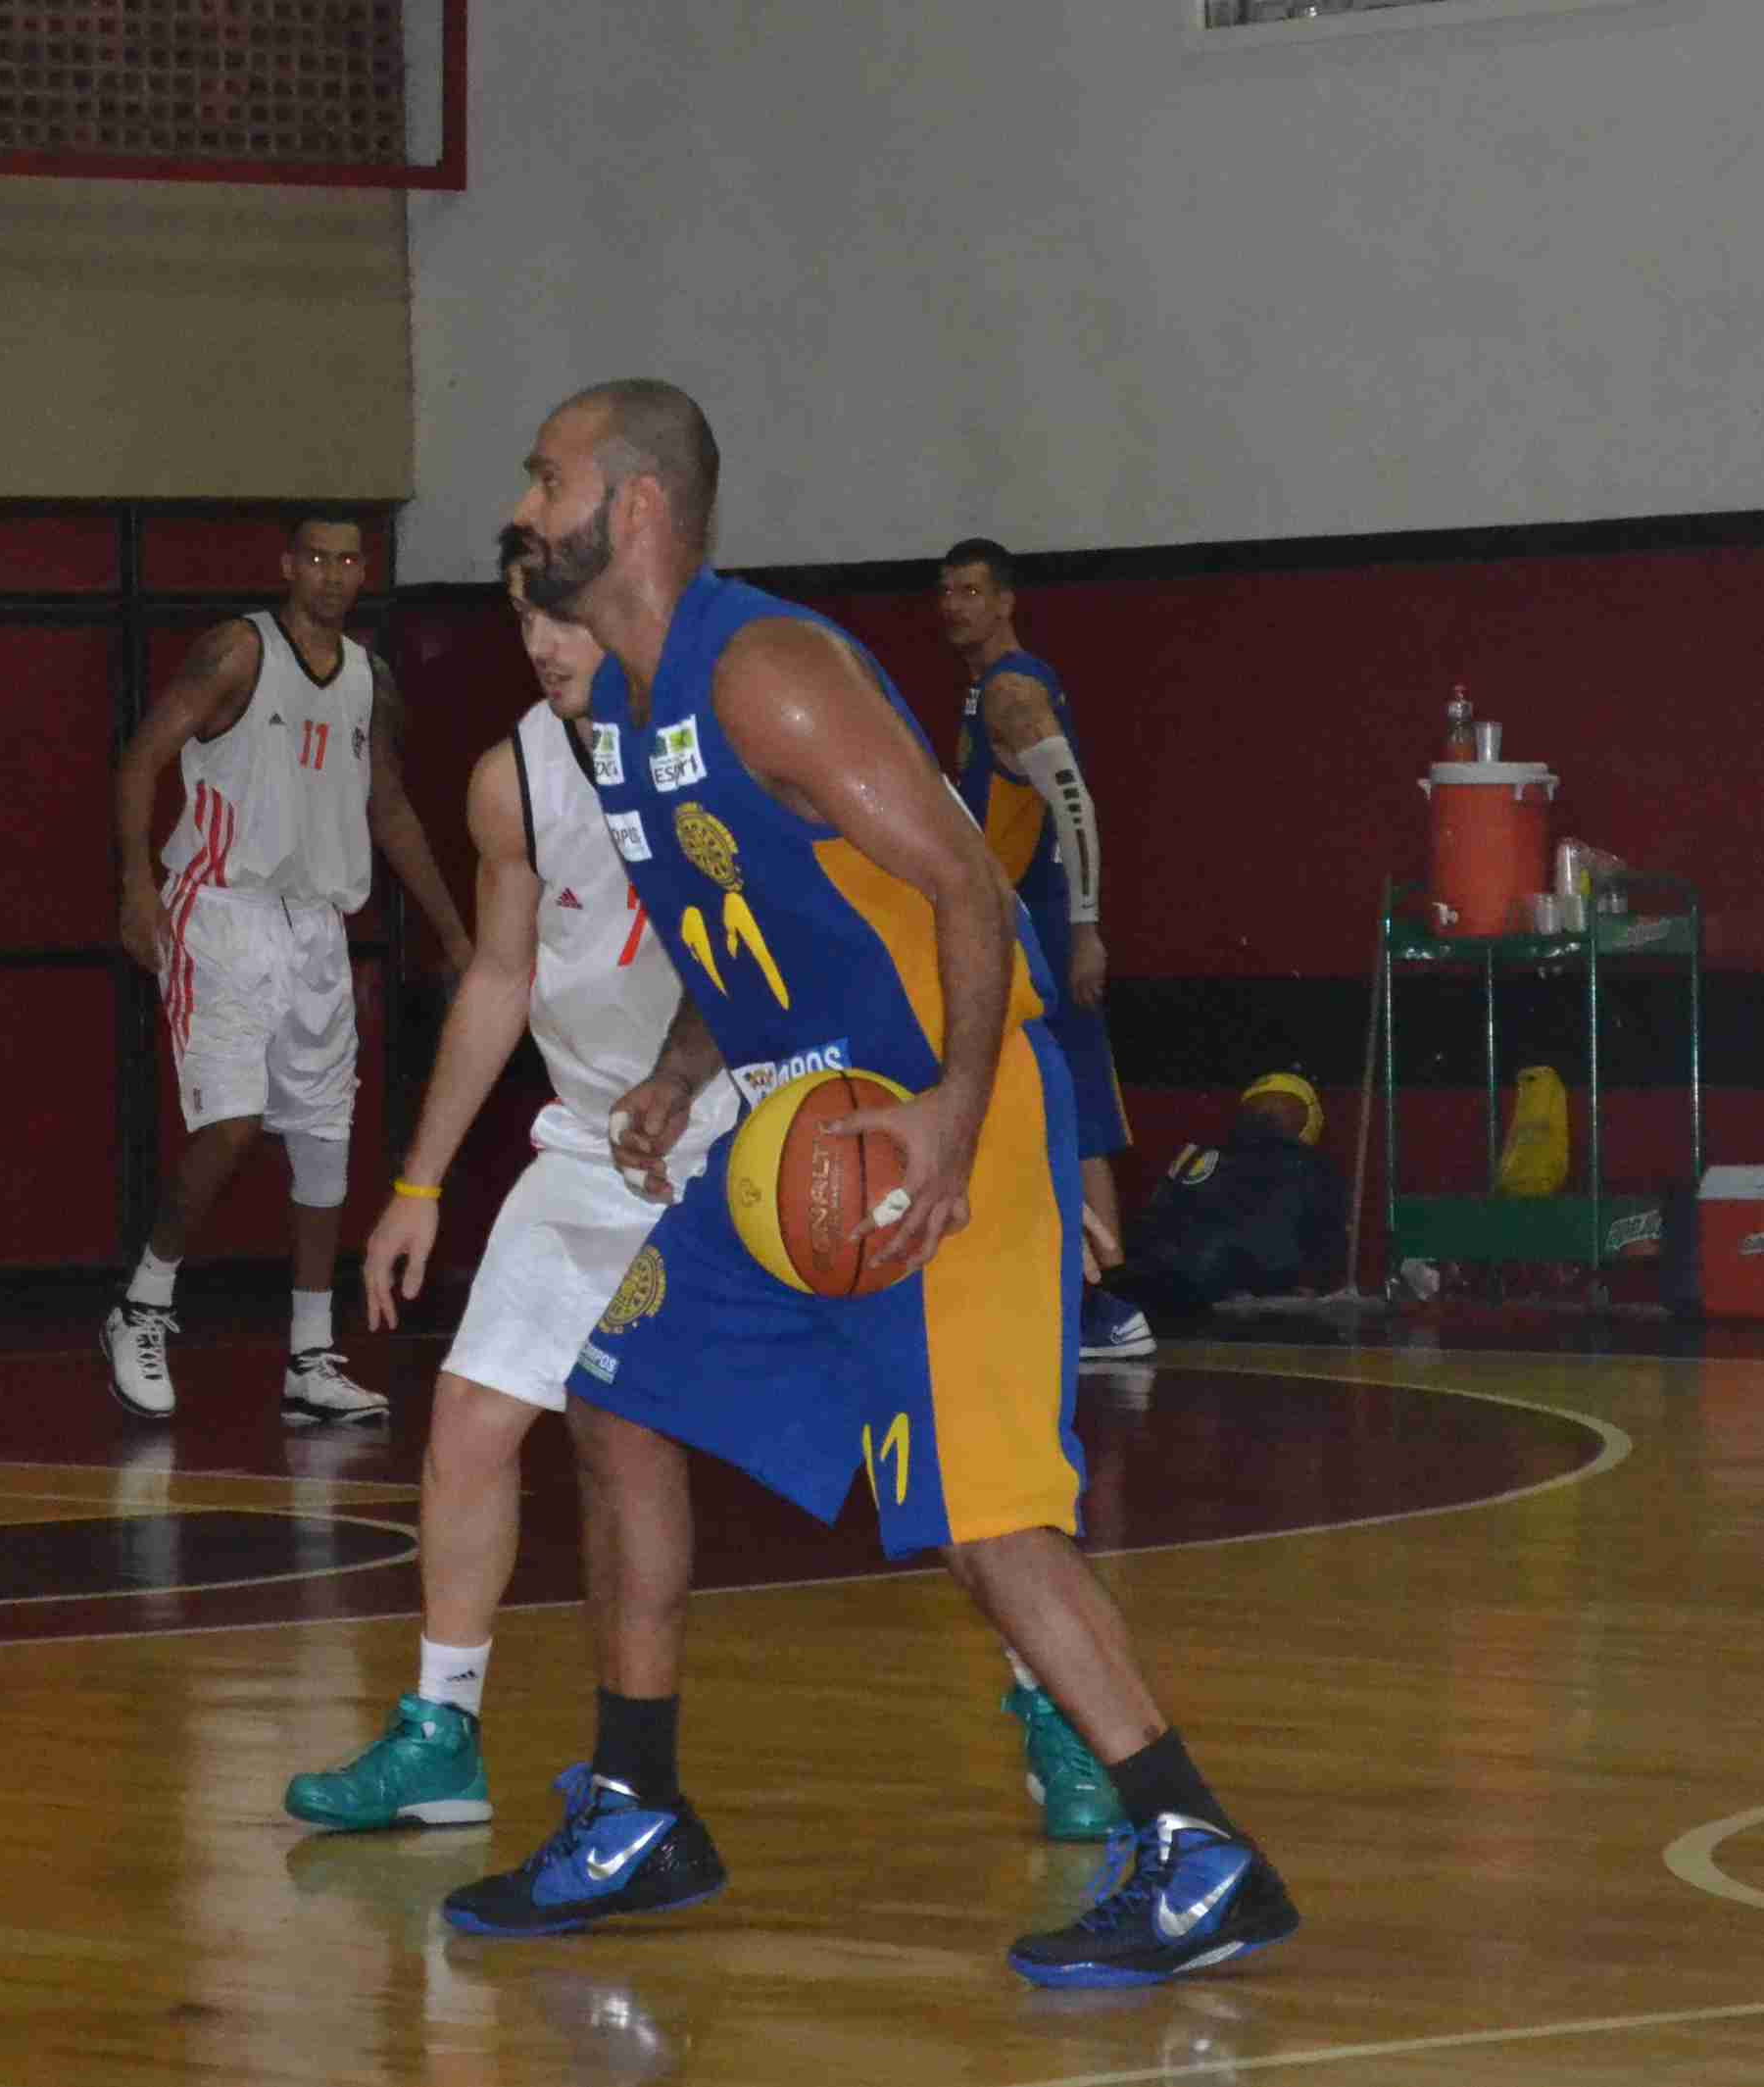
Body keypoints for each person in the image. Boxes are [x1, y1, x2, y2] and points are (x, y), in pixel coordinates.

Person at [448, 380, 1294, 1989]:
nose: (518, 506)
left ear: (629, 507)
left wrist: (961, 1114)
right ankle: (634, 1803)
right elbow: (748, 929)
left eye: (543, 478)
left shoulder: (765, 670)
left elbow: (966, 886)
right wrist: (690, 1068)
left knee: (988, 1524)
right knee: (614, 1386)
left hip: (926, 1120)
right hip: (790, 1133)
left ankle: (1195, 1842)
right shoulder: (615, 711)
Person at [283, 535, 740, 1830]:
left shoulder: (735, 740)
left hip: (756, 1131)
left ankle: (1050, 1704)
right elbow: (497, 977)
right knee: (470, 1422)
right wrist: (418, 1181)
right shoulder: (513, 779)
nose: (541, 640)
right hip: (596, 1143)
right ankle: (441, 1729)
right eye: (520, 614)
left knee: (895, 1433)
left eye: (565, 613)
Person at [103, 514, 475, 1426]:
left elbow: (387, 808)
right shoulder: (238, 650)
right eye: (315, 557)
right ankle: (141, 1304)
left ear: (363, 571)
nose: (331, 574)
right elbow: (144, 754)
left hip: (316, 926)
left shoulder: (368, 680)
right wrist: (134, 882)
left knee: (323, 1146)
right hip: (220, 909)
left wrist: (457, 936)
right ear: (285, 565)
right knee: (229, 1128)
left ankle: (309, 1358)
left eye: (348, 559)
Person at [939, 539, 1154, 1366]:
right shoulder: (983, 694)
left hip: (1042, 938)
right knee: (1075, 1115)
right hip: (1029, 931)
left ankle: (1094, 1306)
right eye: (944, 591)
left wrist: (1085, 929)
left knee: (1058, 1115)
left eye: (969, 590)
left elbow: (1077, 808)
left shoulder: (1013, 691)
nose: (953, 605)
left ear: (1005, 602)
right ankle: (1100, 1301)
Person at [1112, 1072, 1346, 1323]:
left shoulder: (1194, 1155)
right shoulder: (1313, 1167)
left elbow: (1152, 1222)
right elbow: (1325, 1247)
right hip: (1238, 1301)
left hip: (1149, 1290)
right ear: (1308, 1121)